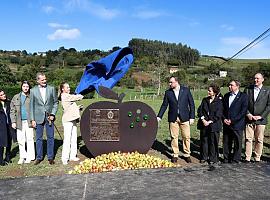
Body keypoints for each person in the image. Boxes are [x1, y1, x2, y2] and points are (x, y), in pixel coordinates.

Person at [157, 76, 195, 163]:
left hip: (185, 118)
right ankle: (175, 154)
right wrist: (159, 116)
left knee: (186, 137)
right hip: (173, 118)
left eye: (171, 82)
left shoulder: (186, 90)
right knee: (174, 137)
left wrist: (192, 117)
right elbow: (164, 105)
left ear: (176, 82)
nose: (169, 84)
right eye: (169, 82)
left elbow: (191, 104)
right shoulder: (168, 93)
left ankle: (187, 154)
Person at [30, 72, 58, 165]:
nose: (44, 81)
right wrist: (32, 119)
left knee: (50, 137)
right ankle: (39, 157)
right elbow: (31, 106)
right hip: (38, 117)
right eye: (42, 80)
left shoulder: (51, 89)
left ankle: (50, 157)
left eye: (45, 79)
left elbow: (55, 103)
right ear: (37, 80)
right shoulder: (33, 91)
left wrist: (53, 114)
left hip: (49, 117)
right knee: (38, 138)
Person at [244, 73, 270, 162]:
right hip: (249, 119)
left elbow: (269, 106)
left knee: (259, 140)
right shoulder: (248, 89)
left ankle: (257, 157)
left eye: (258, 79)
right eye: (255, 78)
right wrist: (248, 114)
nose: (256, 80)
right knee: (248, 139)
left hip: (261, 120)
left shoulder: (267, 90)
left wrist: (261, 116)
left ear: (263, 79)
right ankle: (247, 157)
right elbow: (244, 104)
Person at [223, 80, 248, 163]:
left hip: (237, 124)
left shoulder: (243, 96)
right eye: (229, 85)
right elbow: (222, 109)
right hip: (226, 123)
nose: (229, 86)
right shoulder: (226, 96)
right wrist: (224, 119)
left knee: (237, 142)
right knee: (226, 142)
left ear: (237, 86)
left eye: (231, 85)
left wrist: (233, 120)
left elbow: (243, 111)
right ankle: (226, 158)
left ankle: (236, 159)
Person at [10, 81, 35, 164]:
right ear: (21, 87)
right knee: (21, 140)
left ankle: (30, 157)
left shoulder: (32, 96)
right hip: (19, 122)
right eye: (24, 86)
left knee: (30, 139)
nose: (25, 88)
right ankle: (22, 157)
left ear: (29, 87)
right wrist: (13, 121)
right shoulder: (16, 97)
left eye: (27, 86)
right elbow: (12, 110)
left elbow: (35, 109)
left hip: (29, 121)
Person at [197, 84, 223, 164]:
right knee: (204, 141)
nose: (208, 92)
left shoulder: (219, 101)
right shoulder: (205, 100)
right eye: (208, 90)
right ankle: (204, 157)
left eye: (210, 91)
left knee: (213, 142)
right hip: (204, 125)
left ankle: (213, 158)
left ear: (214, 92)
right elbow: (200, 110)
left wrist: (210, 121)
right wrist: (203, 119)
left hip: (214, 125)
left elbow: (218, 114)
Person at [59, 82, 83, 165]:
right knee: (67, 140)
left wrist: (78, 108)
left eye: (69, 87)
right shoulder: (65, 95)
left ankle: (72, 156)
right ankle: (64, 158)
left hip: (72, 119)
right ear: (63, 89)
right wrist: (82, 94)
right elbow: (76, 97)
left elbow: (70, 107)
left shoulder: (67, 96)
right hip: (68, 121)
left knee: (73, 139)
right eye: (67, 87)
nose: (69, 89)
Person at [0, 89, 13, 166]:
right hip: (1, 126)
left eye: (4, 94)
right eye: (1, 95)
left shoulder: (8, 102)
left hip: (9, 125)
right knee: (1, 143)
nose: (3, 95)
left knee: (9, 141)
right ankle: (1, 160)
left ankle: (8, 157)